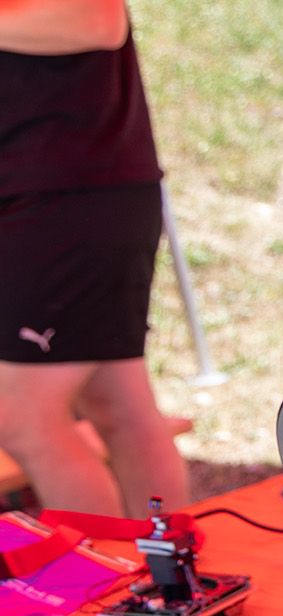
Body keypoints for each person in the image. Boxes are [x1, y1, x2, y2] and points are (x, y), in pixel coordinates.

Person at [0, 0, 188, 517]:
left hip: (64, 190)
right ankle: (171, 563)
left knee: (22, 418)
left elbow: (96, 20)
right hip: (62, 186)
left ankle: (102, 568)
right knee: (118, 405)